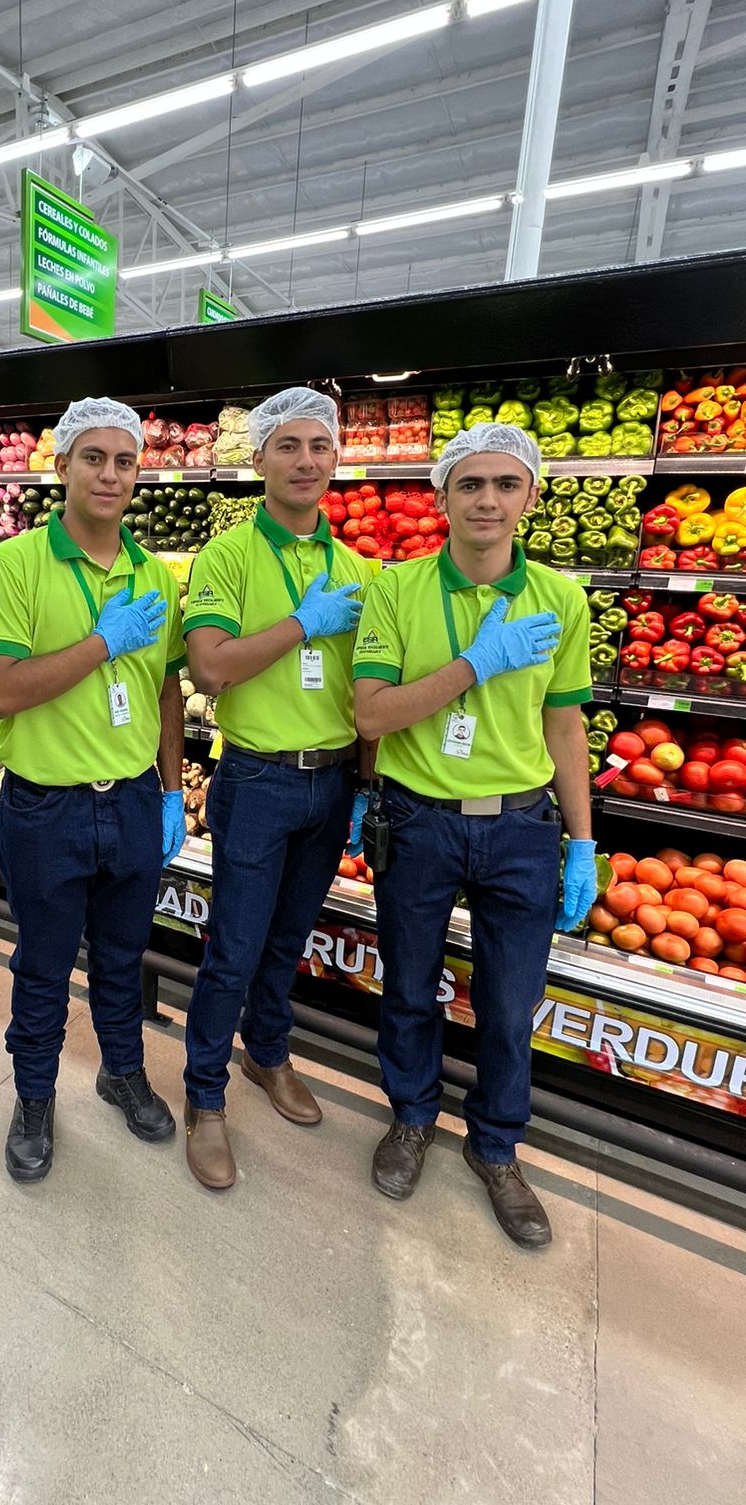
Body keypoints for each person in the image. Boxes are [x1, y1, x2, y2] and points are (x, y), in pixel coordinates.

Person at [352, 422, 596, 1249]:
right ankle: (411, 1116)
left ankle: (496, 1146)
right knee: (409, 984)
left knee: (509, 1001)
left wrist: (582, 841)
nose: (487, 499)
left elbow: (565, 727)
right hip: (418, 818)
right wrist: (476, 663)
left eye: (505, 483)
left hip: (522, 826)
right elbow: (372, 715)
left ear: (531, 496)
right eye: (470, 484)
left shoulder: (561, 599)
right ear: (443, 496)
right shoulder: (397, 589)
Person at [0, 397, 186, 1183]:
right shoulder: (15, 565)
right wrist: (101, 642)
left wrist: (169, 789)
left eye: (125, 461)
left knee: (124, 958)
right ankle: (33, 1096)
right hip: (46, 807)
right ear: (61, 466)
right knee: (44, 966)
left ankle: (121, 1071)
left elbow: (165, 689)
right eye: (94, 457)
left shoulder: (155, 575)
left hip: (132, 801)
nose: (110, 474)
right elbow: (1, 689)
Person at [180, 387, 373, 1190]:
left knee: (289, 940)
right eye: (288, 445)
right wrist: (302, 623)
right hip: (257, 777)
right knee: (234, 948)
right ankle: (204, 1099)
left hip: (332, 782)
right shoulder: (227, 557)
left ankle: (267, 1053)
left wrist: (366, 786)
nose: (305, 460)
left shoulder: (358, 569)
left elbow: (369, 687)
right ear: (259, 457)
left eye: (319, 445)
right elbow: (209, 668)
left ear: (336, 458)